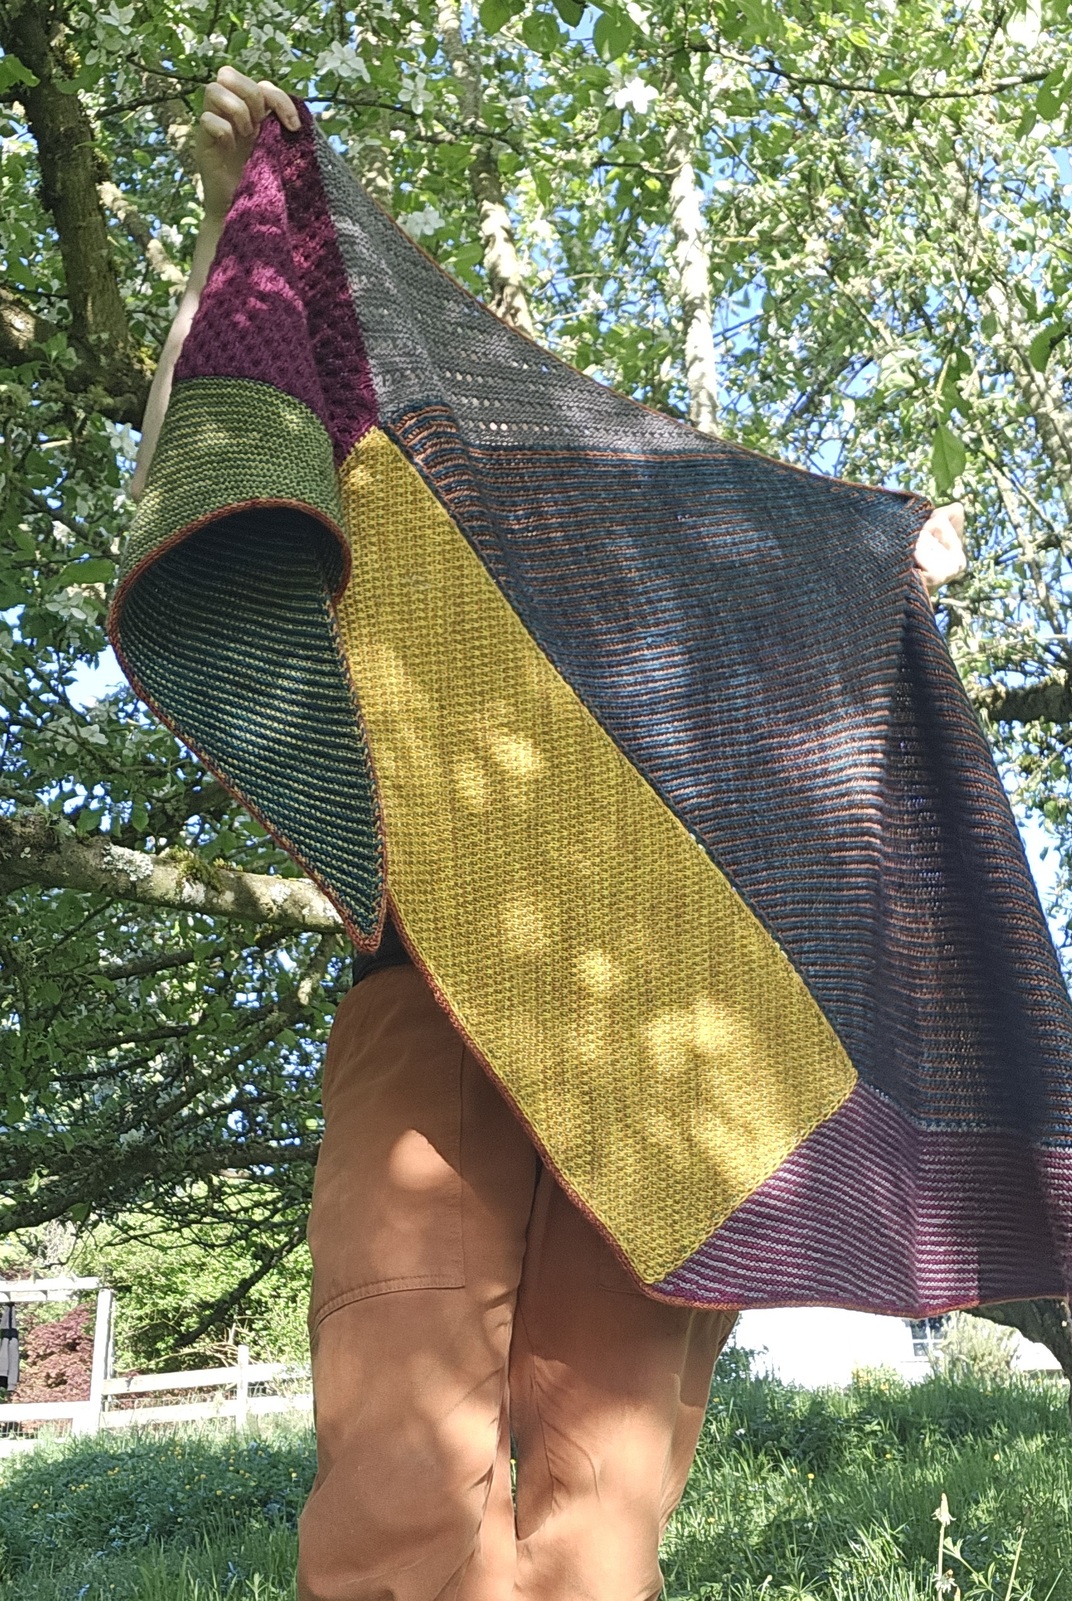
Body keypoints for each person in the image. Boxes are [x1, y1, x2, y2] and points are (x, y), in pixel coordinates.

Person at [132, 67, 968, 1601]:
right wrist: (229, 238)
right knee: (396, 1486)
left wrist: (867, 569)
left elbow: (814, 674)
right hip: (429, 992)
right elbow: (229, 468)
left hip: (673, 1051)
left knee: (599, 1523)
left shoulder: (696, 613)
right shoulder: (435, 532)